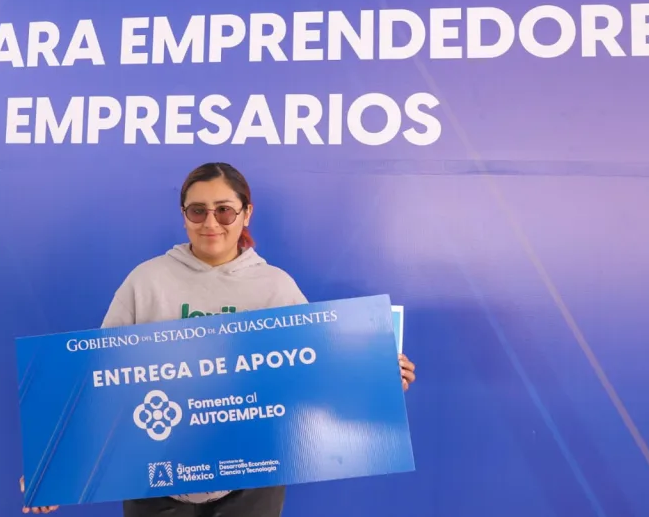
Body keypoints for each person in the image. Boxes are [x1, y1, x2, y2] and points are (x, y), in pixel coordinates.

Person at [22, 162, 416, 515]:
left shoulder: (276, 288)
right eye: (198, 210)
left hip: (251, 483)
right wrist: (52, 471)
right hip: (154, 477)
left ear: (246, 213)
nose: (211, 222)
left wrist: (378, 380)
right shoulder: (146, 282)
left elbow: (316, 376)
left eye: (224, 210)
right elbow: (98, 381)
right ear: (184, 215)